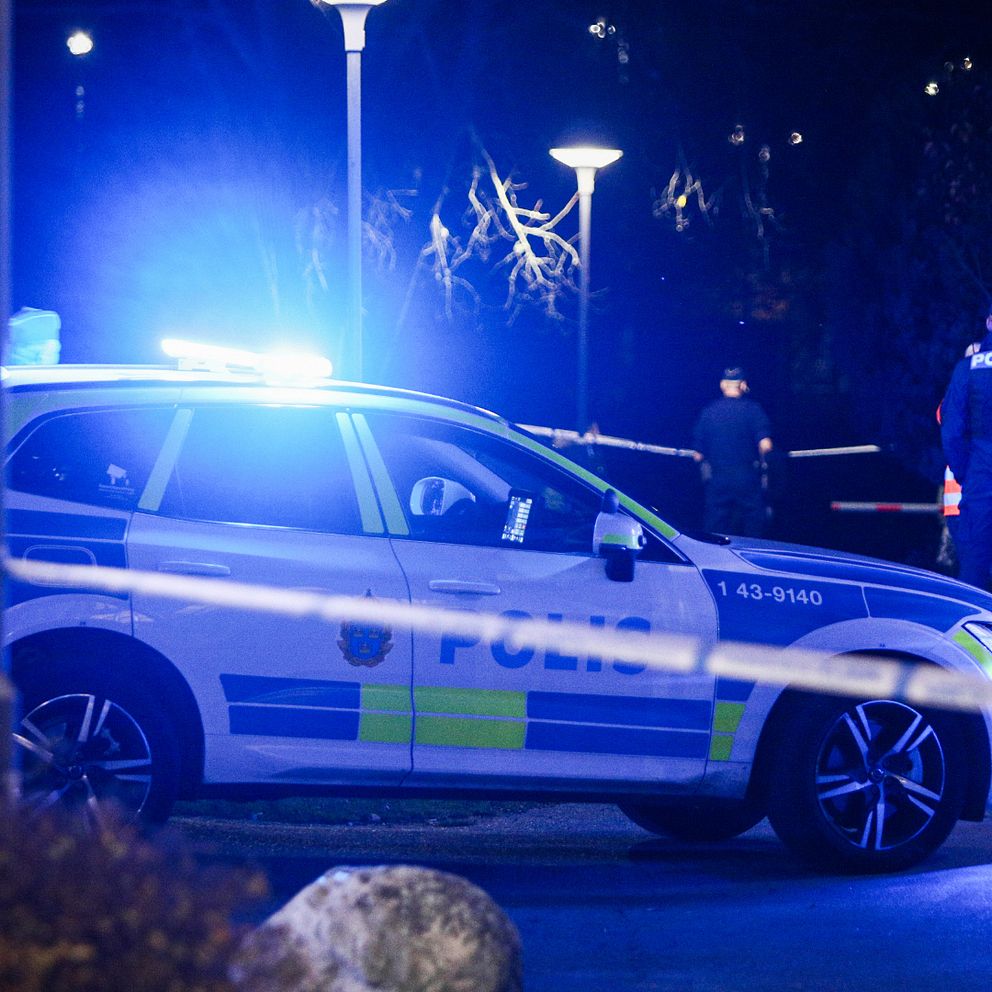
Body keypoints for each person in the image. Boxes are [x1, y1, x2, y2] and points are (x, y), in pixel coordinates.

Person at [941, 307, 992, 590]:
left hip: (981, 483)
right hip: (978, 476)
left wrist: (967, 473)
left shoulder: (968, 369)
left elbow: (951, 431)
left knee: (974, 573)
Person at [692, 366, 773, 537]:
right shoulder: (753, 410)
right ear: (743, 385)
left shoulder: (709, 412)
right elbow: (766, 445)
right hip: (747, 477)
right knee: (754, 523)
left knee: (715, 527)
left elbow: (698, 455)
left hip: (718, 479)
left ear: (722, 385)